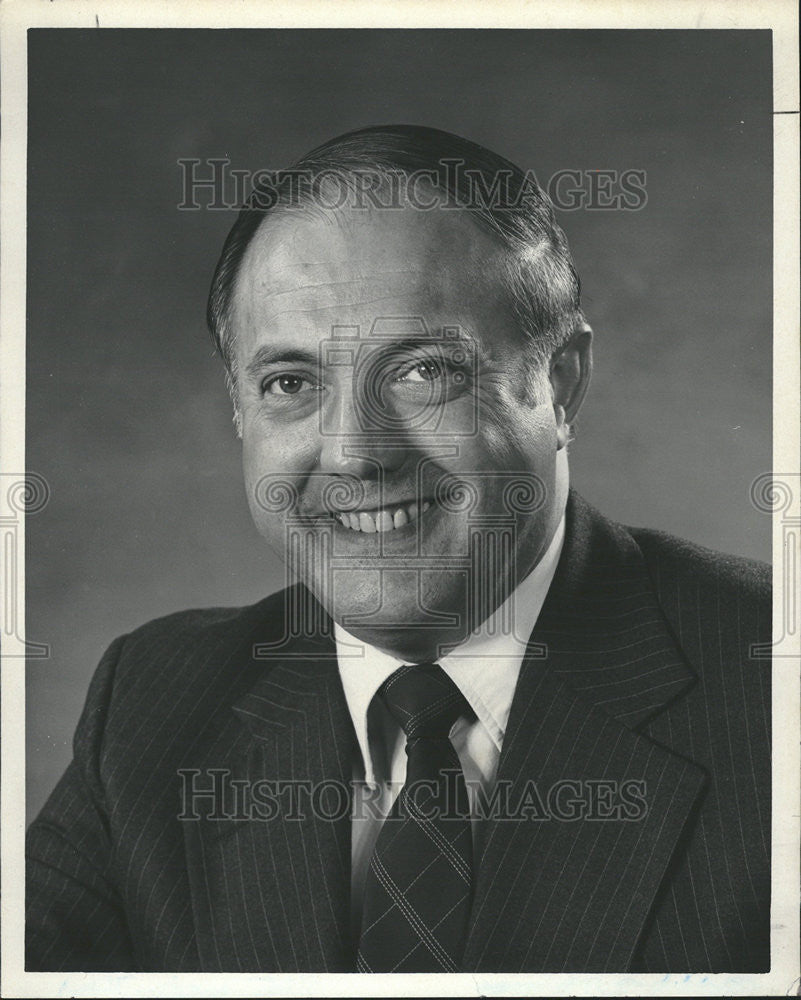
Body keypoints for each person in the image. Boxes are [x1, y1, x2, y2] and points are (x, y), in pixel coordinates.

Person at [26, 125, 770, 973]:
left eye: (420, 372)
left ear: (559, 385)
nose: (352, 452)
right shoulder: (154, 705)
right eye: (291, 384)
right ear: (238, 407)